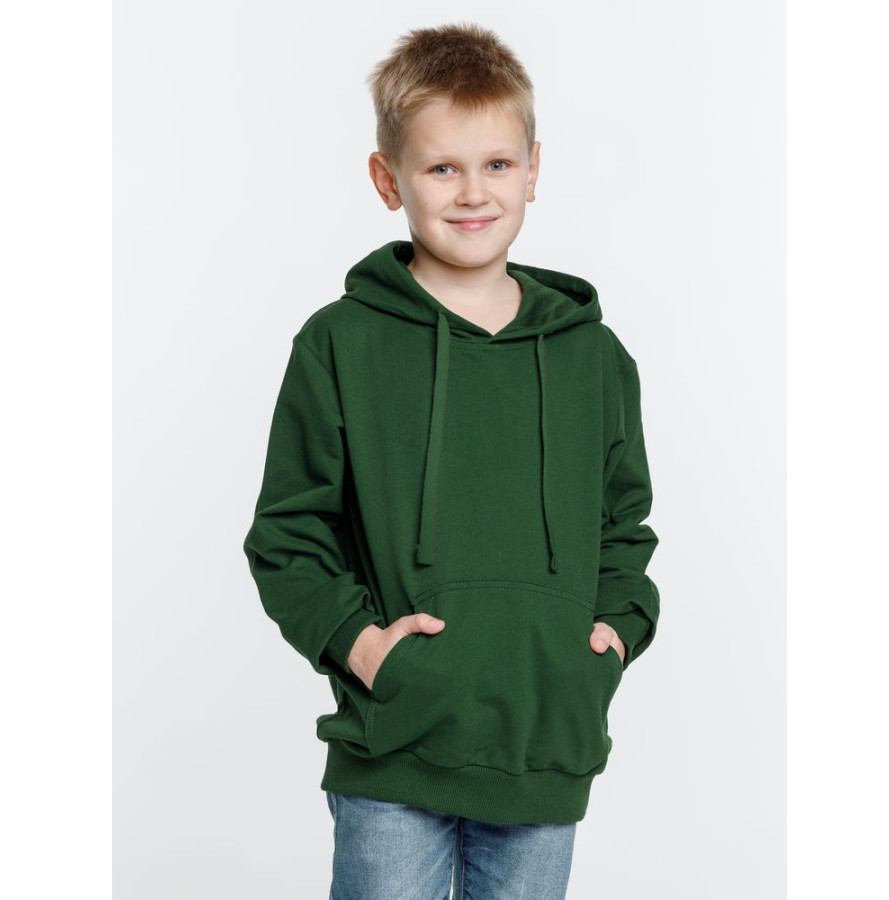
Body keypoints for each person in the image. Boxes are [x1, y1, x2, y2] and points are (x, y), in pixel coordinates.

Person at [242, 21, 661, 900]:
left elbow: (623, 525)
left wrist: (615, 635)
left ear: (534, 170)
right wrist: (362, 648)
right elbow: (288, 534)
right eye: (441, 168)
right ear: (387, 179)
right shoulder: (341, 343)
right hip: (393, 749)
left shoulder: (594, 358)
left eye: (497, 164)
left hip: (546, 746)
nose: (473, 192)